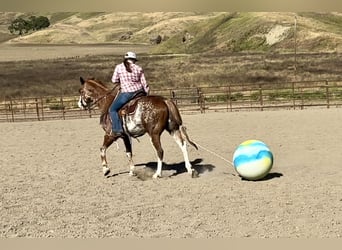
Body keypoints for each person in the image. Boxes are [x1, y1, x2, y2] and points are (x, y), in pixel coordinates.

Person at [109, 51, 150, 137]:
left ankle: (117, 130)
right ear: (134, 60)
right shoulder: (139, 68)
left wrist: (122, 81)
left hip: (127, 93)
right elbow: (144, 83)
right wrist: (146, 94)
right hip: (140, 92)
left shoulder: (119, 67)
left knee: (112, 110)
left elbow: (114, 80)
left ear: (125, 59)